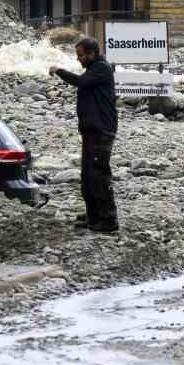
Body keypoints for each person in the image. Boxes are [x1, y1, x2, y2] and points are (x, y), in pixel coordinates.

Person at [50, 37, 119, 233]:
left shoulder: (102, 68)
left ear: (92, 53)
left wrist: (59, 71)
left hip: (101, 131)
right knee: (88, 176)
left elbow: (80, 82)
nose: (78, 59)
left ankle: (107, 220)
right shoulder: (93, 69)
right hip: (92, 130)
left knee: (98, 175)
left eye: (81, 55)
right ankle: (93, 215)